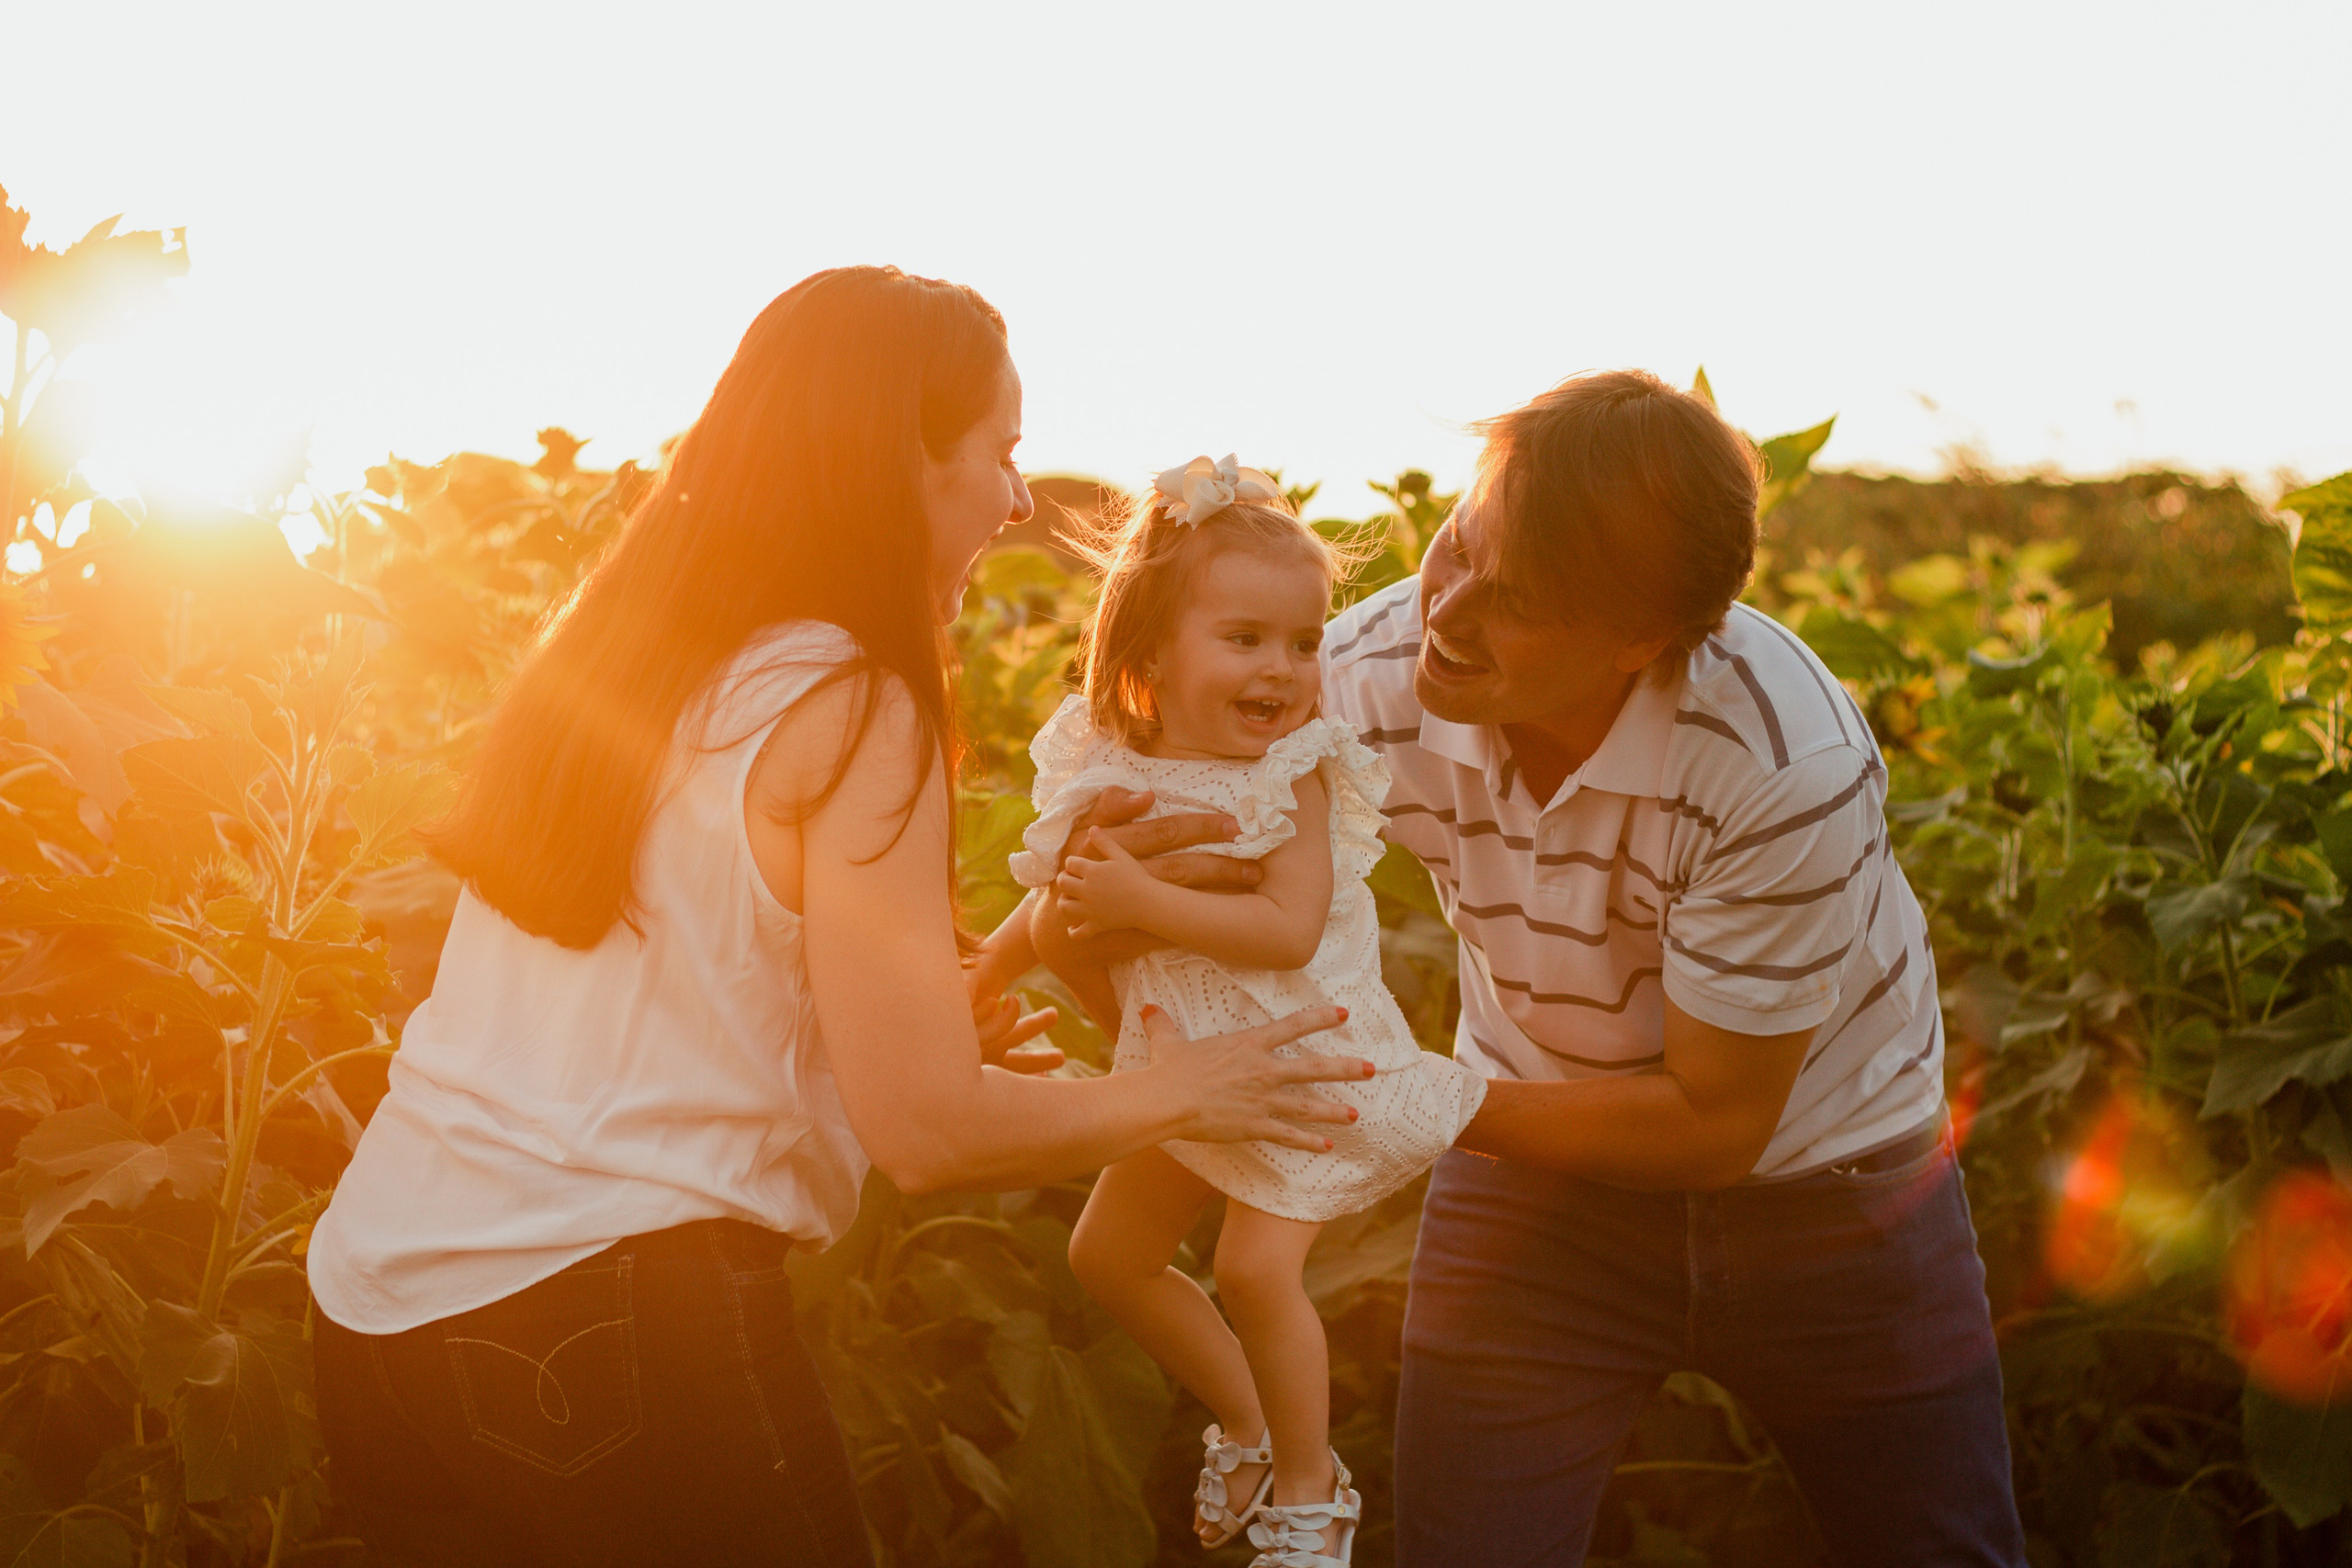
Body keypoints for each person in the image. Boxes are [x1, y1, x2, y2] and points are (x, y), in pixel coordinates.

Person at [304, 267, 1374, 1568]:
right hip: (612, 1322)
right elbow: (930, 1133)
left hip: (380, 1308)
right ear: (898, 462)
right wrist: (1197, 1085)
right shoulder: (856, 702)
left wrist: (950, 1007)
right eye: (1001, 450)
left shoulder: (633, 655)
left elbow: (675, 987)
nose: (1018, 499)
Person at [1032, 372, 2029, 1567]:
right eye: (1460, 541)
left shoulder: (1776, 757)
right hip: (1538, 1192)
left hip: (1841, 1197)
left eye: (1517, 600)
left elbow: (1717, 1123)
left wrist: (1408, 1097)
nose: (1447, 609)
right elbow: (1157, 857)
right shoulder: (1359, 674)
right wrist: (1088, 936)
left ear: (1642, 638)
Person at [974, 457, 1484, 1568]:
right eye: (1245, 639)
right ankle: (1246, 1420)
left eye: (1304, 645)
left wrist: (1143, 899)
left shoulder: (1290, 773)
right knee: (1105, 1256)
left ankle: (1311, 1494)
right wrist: (988, 975)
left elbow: (1289, 929)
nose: (1285, 671)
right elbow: (1055, 897)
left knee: (1256, 1270)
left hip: (1302, 1065)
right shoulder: (1111, 762)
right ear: (1151, 651)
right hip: (1186, 1070)